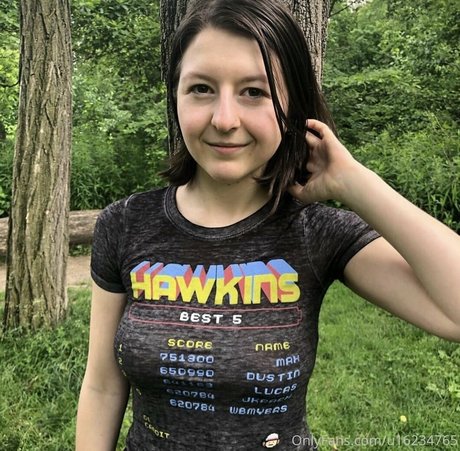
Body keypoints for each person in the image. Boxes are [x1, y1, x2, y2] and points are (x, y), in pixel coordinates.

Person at [75, 0, 460, 449]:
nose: (224, 119)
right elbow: (102, 385)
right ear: (175, 95)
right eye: (201, 88)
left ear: (292, 106)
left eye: (255, 92)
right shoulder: (125, 224)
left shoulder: (316, 232)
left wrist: (355, 183)